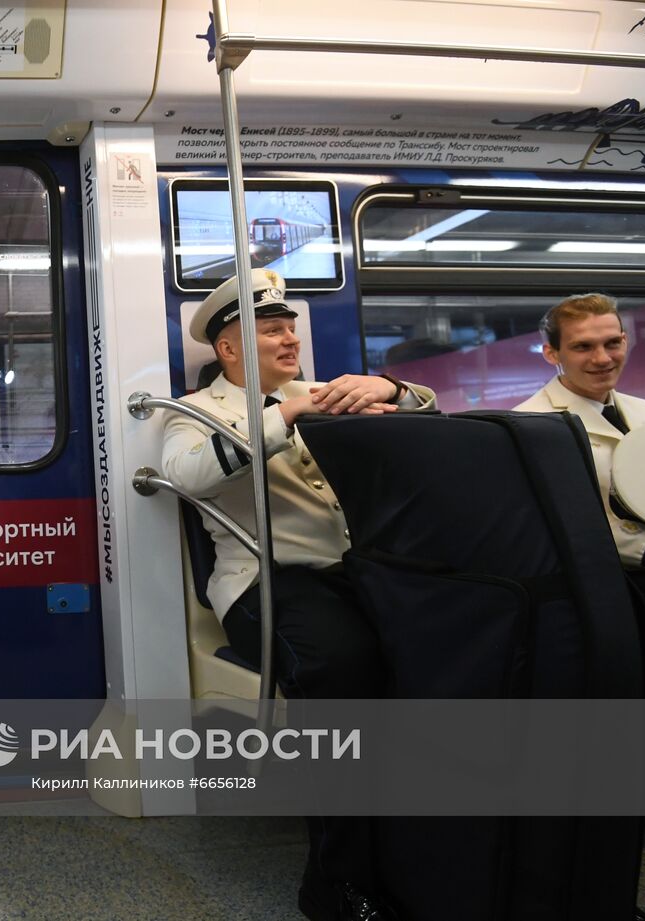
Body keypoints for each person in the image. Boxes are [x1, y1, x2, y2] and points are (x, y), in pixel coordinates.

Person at [161, 269, 434, 921]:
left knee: (444, 645)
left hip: (354, 572)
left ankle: (424, 851)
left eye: (292, 327)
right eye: (272, 328)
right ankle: (336, 883)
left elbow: (430, 416)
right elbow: (186, 474)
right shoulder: (195, 412)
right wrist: (286, 411)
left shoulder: (327, 393)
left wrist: (391, 387)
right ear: (228, 348)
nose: (291, 338)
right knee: (342, 672)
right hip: (266, 579)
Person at [514, 293, 645, 610]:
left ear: (625, 340)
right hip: (607, 594)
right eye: (583, 347)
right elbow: (565, 528)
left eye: (612, 343)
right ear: (552, 353)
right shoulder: (530, 425)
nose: (603, 358)